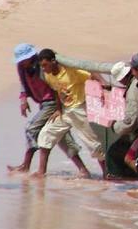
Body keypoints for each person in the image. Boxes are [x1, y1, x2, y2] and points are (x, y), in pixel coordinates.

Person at [8, 43, 86, 175]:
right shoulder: (21, 67)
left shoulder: (43, 65)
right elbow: (23, 83)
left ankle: (26, 166)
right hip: (43, 103)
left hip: (52, 103)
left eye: (24, 60)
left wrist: (58, 107)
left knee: (31, 129)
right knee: (62, 138)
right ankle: (83, 170)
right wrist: (23, 99)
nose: (22, 63)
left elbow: (56, 84)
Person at [33, 48, 106, 178]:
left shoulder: (71, 71)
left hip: (79, 110)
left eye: (45, 65)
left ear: (53, 61)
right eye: (41, 66)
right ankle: (41, 171)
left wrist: (103, 85)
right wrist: (58, 109)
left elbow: (91, 73)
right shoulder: (48, 75)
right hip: (65, 112)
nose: (43, 68)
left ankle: (107, 174)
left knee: (93, 144)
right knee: (46, 134)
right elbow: (56, 91)